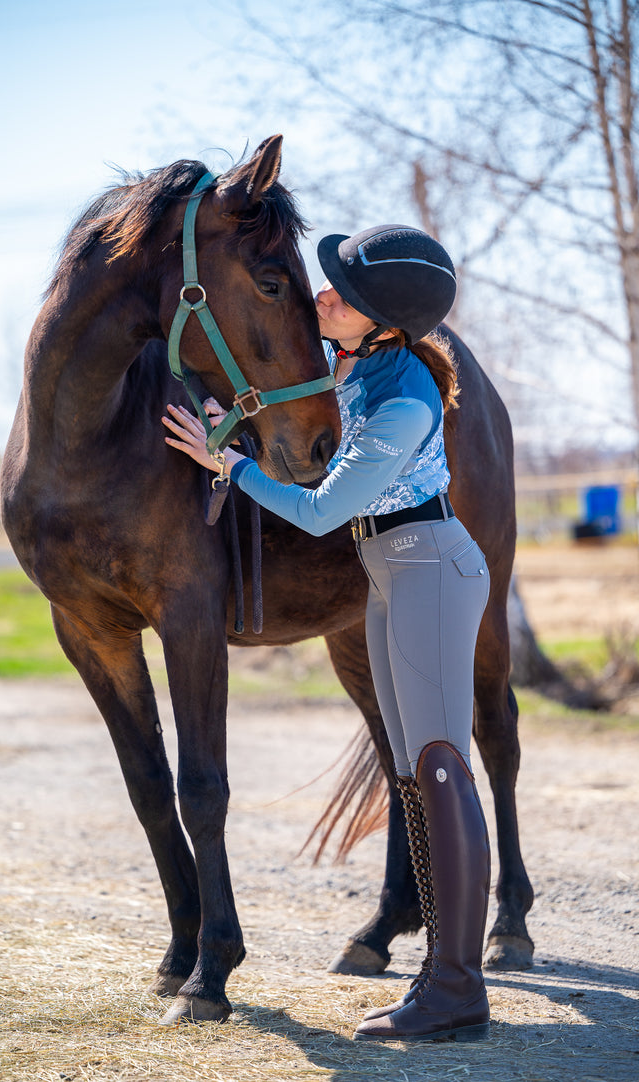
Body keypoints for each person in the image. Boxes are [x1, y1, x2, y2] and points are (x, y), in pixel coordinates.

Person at [162, 224, 492, 1043]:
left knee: (441, 767)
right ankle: (438, 973)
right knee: (413, 774)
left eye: (345, 294)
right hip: (392, 571)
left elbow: (320, 511)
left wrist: (230, 468)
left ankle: (458, 989)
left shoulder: (404, 397)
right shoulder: (358, 368)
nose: (324, 296)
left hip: (429, 568)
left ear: (385, 321)